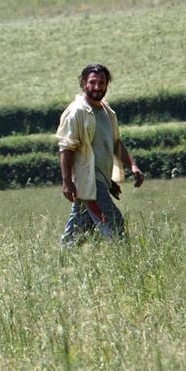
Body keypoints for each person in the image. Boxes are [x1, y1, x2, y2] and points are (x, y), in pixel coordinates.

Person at [57, 63, 144, 245]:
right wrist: (67, 182)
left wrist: (132, 166)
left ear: (107, 84)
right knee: (113, 221)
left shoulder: (107, 111)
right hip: (88, 182)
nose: (97, 87)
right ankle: (124, 260)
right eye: (93, 82)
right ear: (83, 84)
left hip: (97, 182)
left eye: (102, 82)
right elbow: (66, 148)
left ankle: (62, 264)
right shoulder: (77, 112)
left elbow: (115, 144)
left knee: (78, 231)